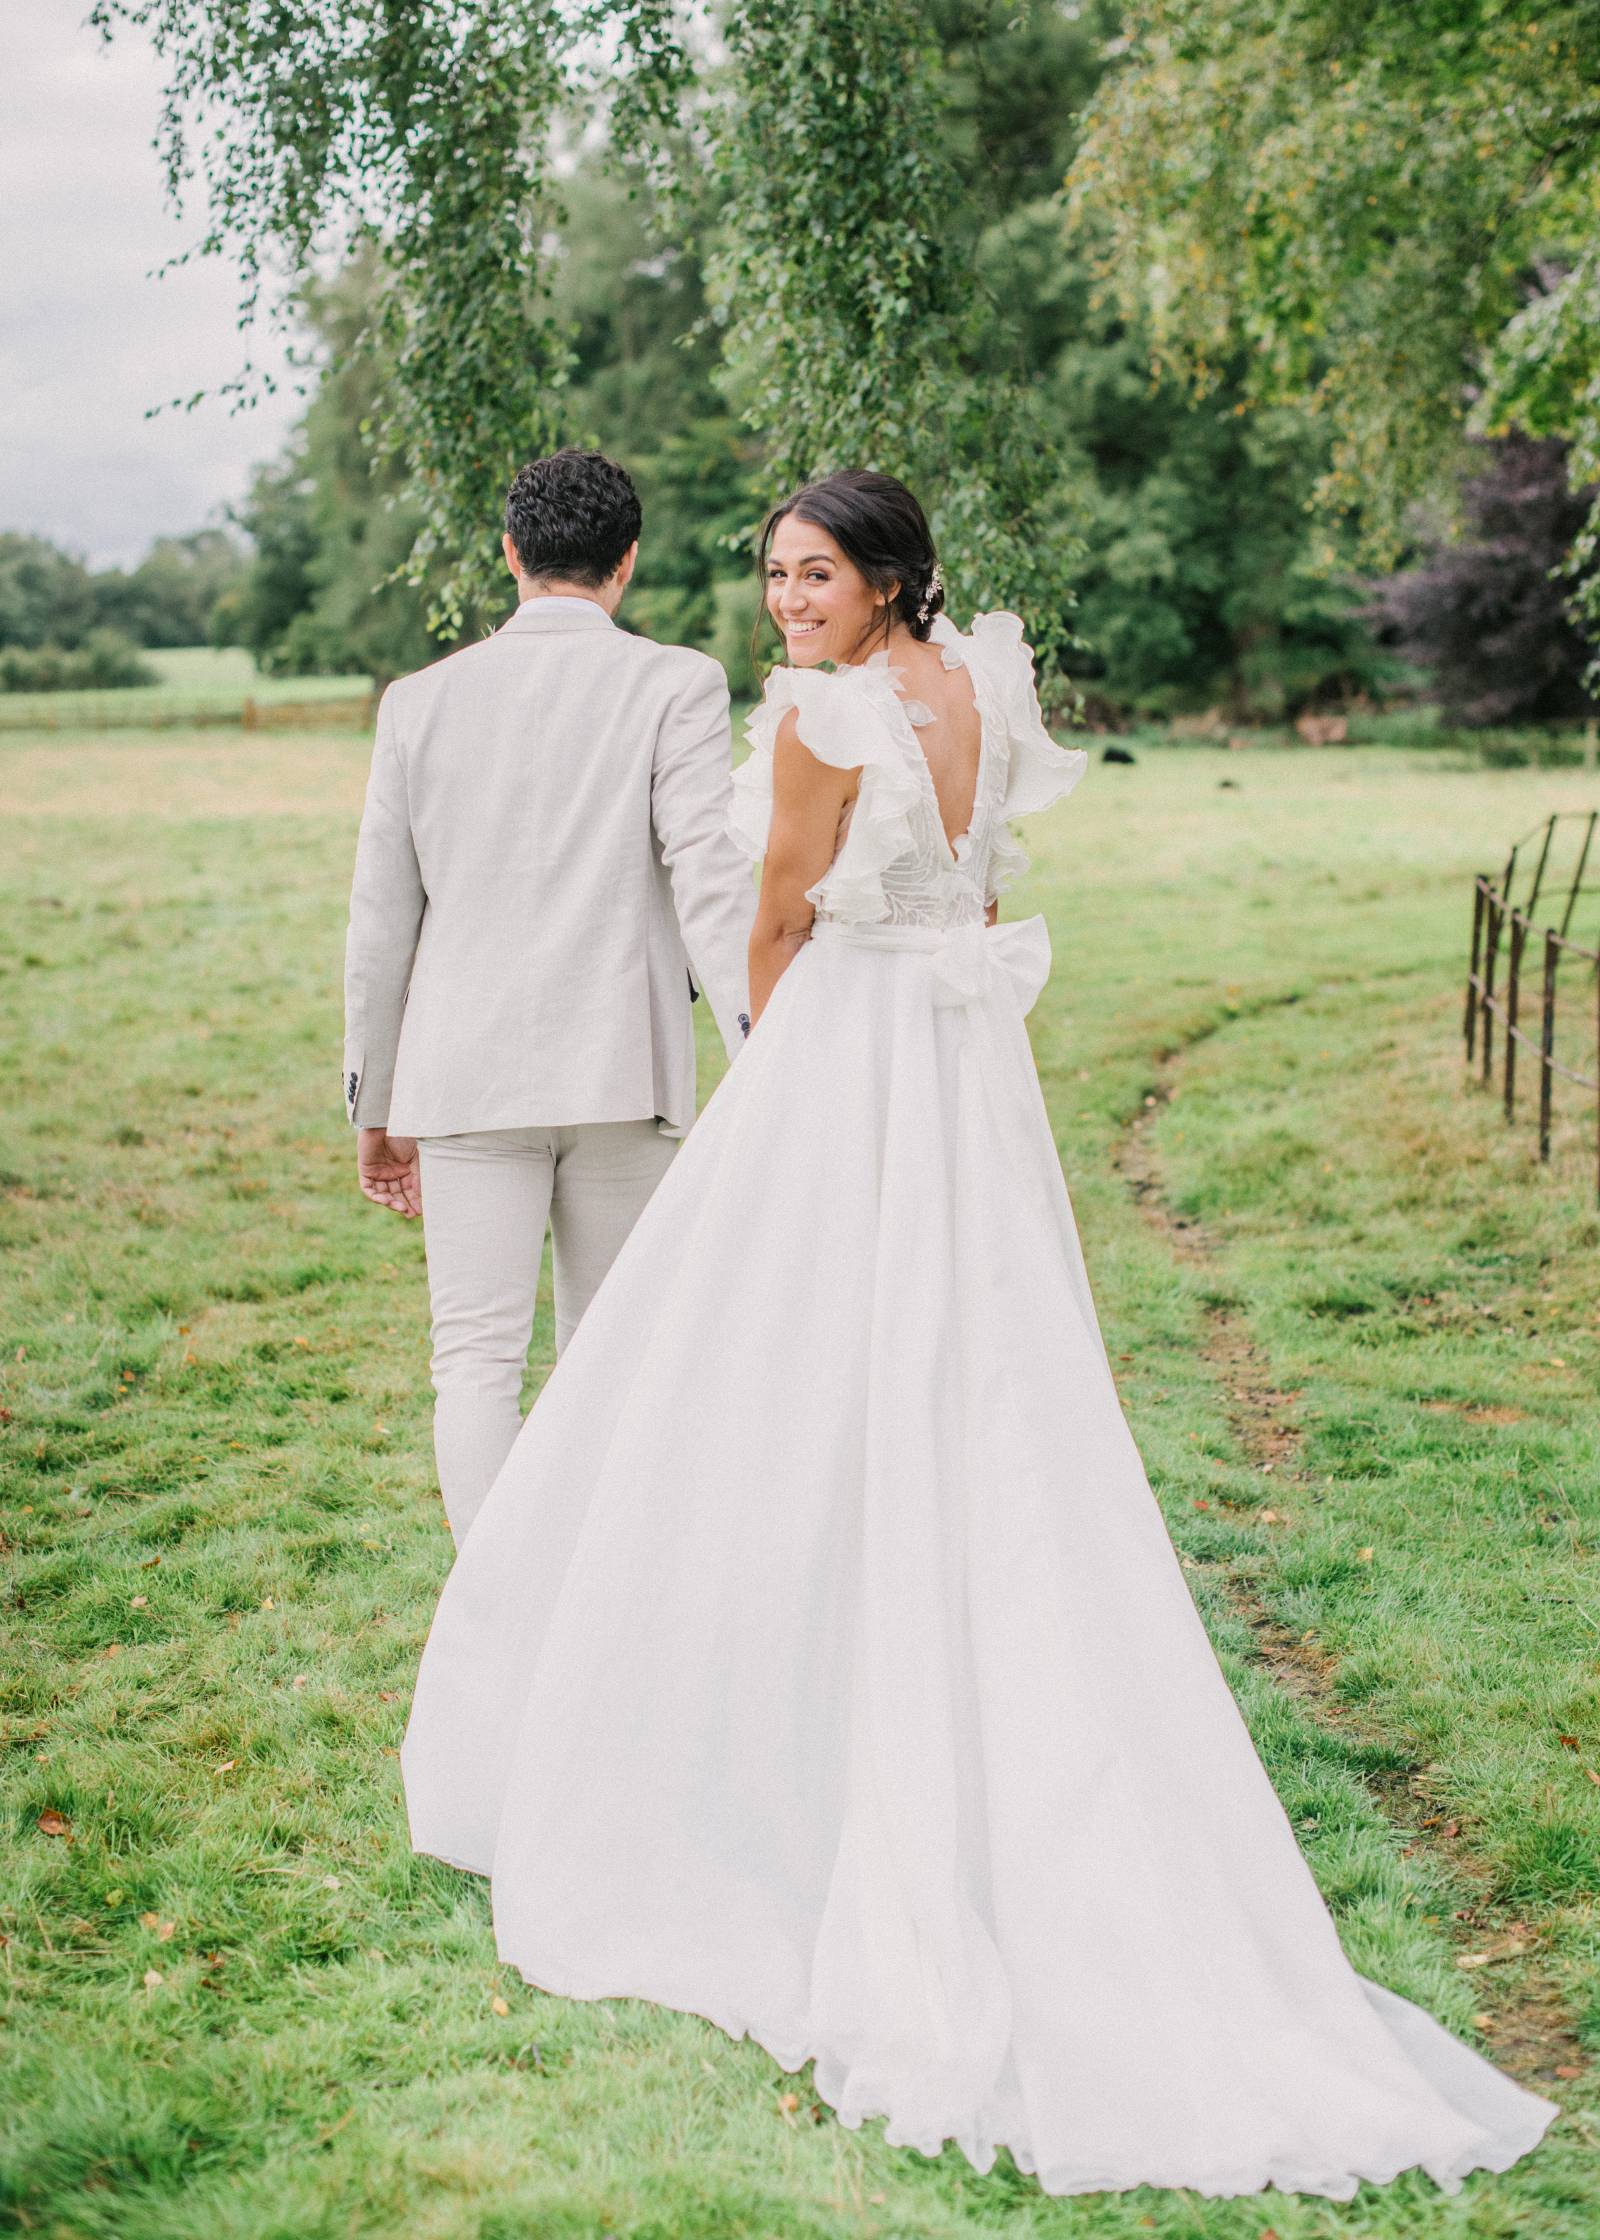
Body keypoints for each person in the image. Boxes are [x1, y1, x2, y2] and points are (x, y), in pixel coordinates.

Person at [399, 469, 1558, 2198]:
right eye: (776, 578)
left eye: (814, 575)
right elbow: (982, 864)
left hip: (859, 1051)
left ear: (883, 578)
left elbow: (777, 922)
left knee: (760, 1370)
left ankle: (702, 1717)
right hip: (967, 1065)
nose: (788, 602)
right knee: (976, 1361)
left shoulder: (821, 719)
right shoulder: (981, 685)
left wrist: (782, 1084)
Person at [342, 448, 755, 1544]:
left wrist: (371, 1107)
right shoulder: (677, 682)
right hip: (624, 1068)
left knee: (474, 1357)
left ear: (510, 552)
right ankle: (591, 1593)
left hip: (464, 1075)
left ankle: (498, 1600)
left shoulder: (416, 702)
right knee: (605, 1347)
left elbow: (380, 924)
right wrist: (767, 1051)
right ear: (626, 563)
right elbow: (713, 884)